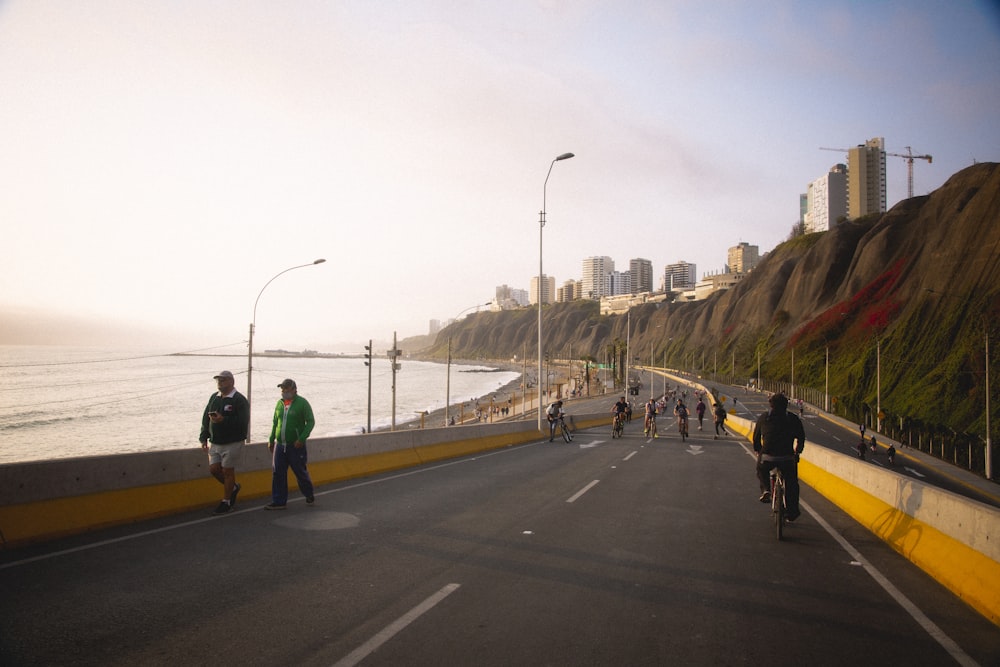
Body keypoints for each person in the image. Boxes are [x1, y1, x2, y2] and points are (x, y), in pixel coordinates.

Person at [199, 370, 249, 515]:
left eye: (223, 380)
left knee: (227, 471)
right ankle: (233, 488)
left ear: (231, 382)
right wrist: (203, 437)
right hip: (216, 442)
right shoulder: (214, 398)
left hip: (232, 442)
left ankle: (226, 501)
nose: (220, 383)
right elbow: (206, 419)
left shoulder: (239, 400)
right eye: (218, 381)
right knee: (214, 469)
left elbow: (242, 422)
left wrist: (223, 420)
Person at [752, 393, 806, 521]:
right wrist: (797, 452)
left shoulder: (764, 417)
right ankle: (792, 512)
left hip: (767, 457)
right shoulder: (793, 419)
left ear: (771, 405)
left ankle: (766, 489)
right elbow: (801, 438)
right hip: (787, 458)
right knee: (792, 483)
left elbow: (756, 439)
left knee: (761, 469)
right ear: (786, 405)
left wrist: (759, 451)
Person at [266, 379, 316, 510]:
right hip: (280, 445)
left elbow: (310, 422)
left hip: (296, 446)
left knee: (300, 472)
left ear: (294, 389)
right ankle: (279, 501)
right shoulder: (279, 404)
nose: (284, 392)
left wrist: (302, 438)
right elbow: (275, 423)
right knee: (278, 472)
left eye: (287, 389)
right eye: (282, 389)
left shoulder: (302, 403)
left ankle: (308, 493)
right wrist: (271, 440)